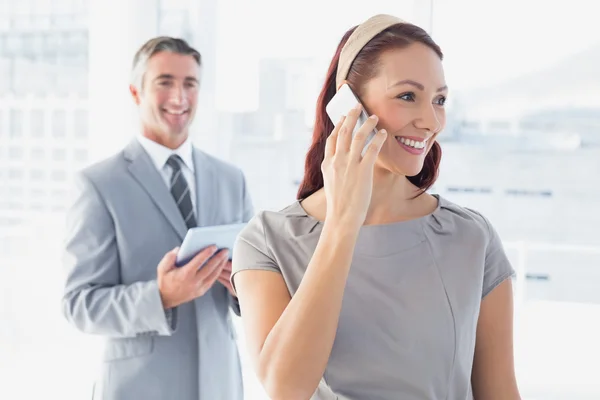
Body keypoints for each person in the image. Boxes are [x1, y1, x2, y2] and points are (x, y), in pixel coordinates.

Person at [231, 14, 521, 400]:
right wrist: (342, 223)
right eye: (407, 96)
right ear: (348, 104)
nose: (430, 120)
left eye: (440, 100)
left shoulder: (471, 237)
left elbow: (500, 392)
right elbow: (287, 388)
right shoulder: (267, 240)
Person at [61, 37, 252, 400]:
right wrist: (160, 296)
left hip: (221, 385)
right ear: (136, 92)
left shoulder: (232, 179)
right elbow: (78, 304)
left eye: (189, 84)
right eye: (165, 82)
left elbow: (259, 282)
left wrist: (243, 285)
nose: (179, 97)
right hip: (138, 388)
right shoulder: (99, 184)